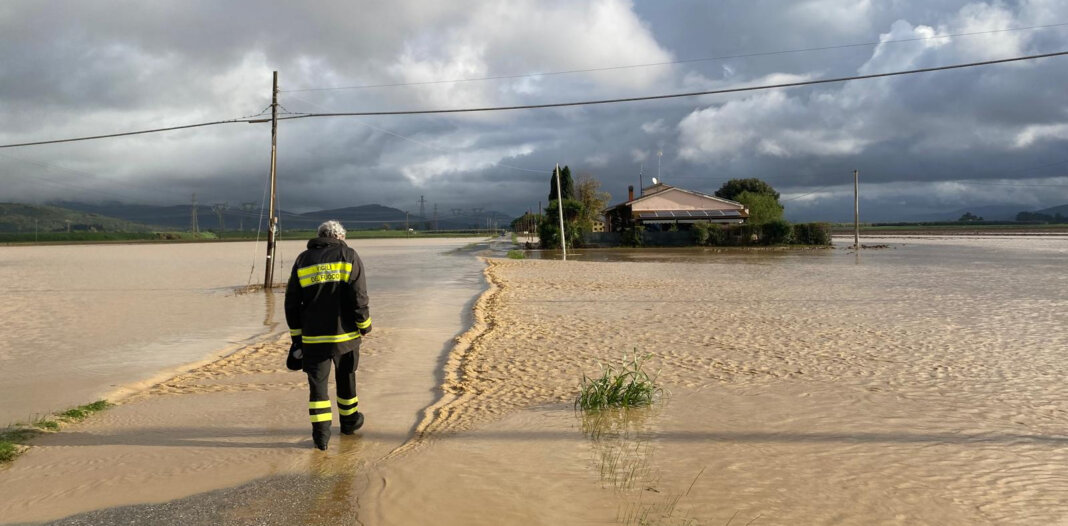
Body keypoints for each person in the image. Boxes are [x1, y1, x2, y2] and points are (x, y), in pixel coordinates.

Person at [285, 220, 371, 450]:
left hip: (313, 338)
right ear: (340, 237)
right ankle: (349, 423)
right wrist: (365, 324)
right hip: (346, 336)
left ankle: (321, 439)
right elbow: (359, 295)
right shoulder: (349, 255)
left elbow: (291, 302)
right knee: (346, 379)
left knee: (318, 389)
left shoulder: (303, 259)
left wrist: (296, 337)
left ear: (320, 236)